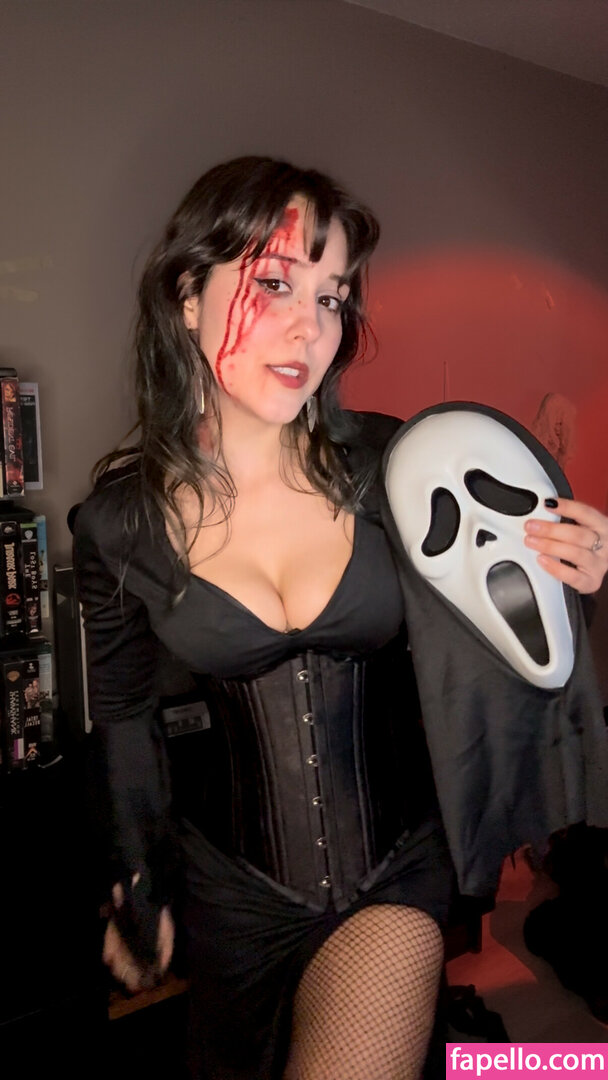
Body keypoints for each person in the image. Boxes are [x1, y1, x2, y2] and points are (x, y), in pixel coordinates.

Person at [73, 157, 608, 1080]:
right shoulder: (122, 523)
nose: (309, 327)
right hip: (232, 896)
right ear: (187, 297)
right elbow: (124, 721)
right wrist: (138, 883)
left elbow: (506, 627)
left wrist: (573, 576)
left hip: (394, 872)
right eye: (275, 284)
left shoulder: (395, 464)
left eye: (332, 297)